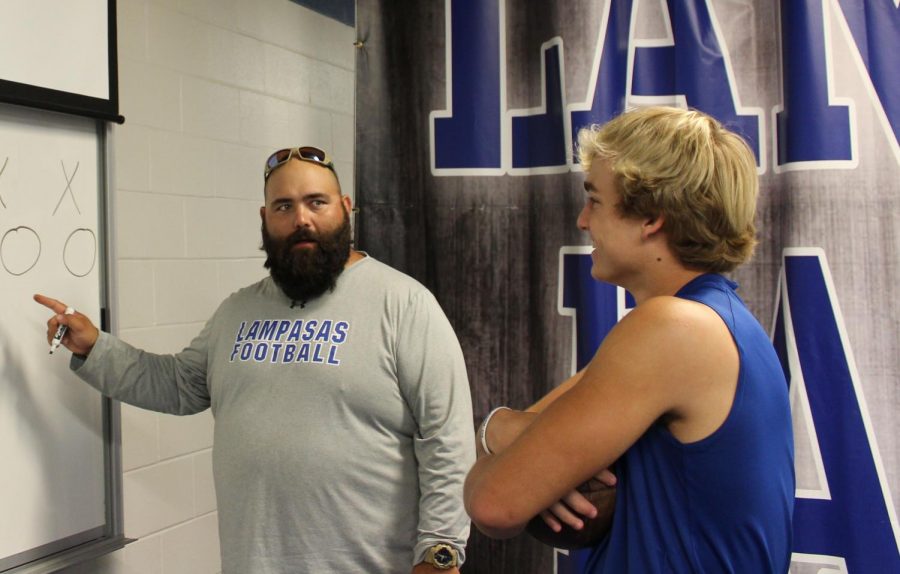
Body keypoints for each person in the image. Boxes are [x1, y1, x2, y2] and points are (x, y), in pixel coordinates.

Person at [35, 146, 475, 574]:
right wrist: (95, 346)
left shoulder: (404, 305)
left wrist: (440, 552)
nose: (301, 219)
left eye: (316, 203)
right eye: (284, 206)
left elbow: (446, 438)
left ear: (345, 208)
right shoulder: (237, 311)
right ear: (265, 219)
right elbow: (180, 384)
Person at [464, 107, 795, 572]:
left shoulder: (673, 329)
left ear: (651, 218)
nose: (583, 221)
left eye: (595, 200)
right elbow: (512, 437)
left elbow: (493, 506)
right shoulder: (704, 322)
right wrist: (498, 429)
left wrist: (496, 434)